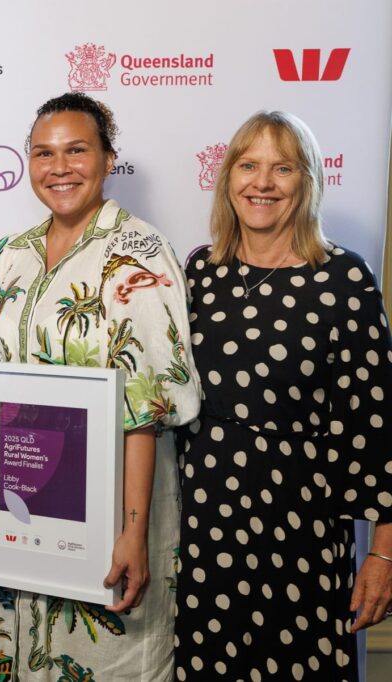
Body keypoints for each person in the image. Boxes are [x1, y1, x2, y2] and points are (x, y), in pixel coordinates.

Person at [0, 92, 201, 681]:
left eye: (76, 150)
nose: (59, 167)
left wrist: (134, 530)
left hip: (115, 500)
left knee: (103, 658)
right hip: (20, 498)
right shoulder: (6, 258)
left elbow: (146, 406)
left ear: (107, 157)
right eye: (43, 153)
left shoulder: (139, 253)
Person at [175, 111, 392, 681]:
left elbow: (377, 424)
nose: (262, 183)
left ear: (308, 181)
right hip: (202, 528)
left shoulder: (343, 279)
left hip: (300, 529)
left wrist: (385, 552)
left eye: (283, 168)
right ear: (228, 179)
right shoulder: (201, 271)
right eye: (248, 166)